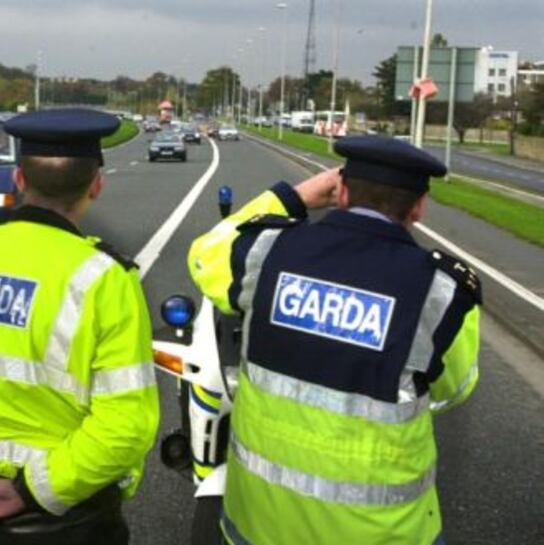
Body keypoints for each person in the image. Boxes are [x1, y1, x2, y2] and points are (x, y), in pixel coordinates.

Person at [188, 135, 481, 545]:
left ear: (339, 191)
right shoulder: (442, 292)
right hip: (383, 533)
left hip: (259, 525)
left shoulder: (266, 251)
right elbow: (453, 391)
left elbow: (206, 254)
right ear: (418, 208)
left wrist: (294, 197)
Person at [0, 108, 160, 545]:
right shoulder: (104, 278)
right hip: (68, 521)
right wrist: (31, 490)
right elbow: (125, 426)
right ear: (96, 185)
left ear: (18, 181)